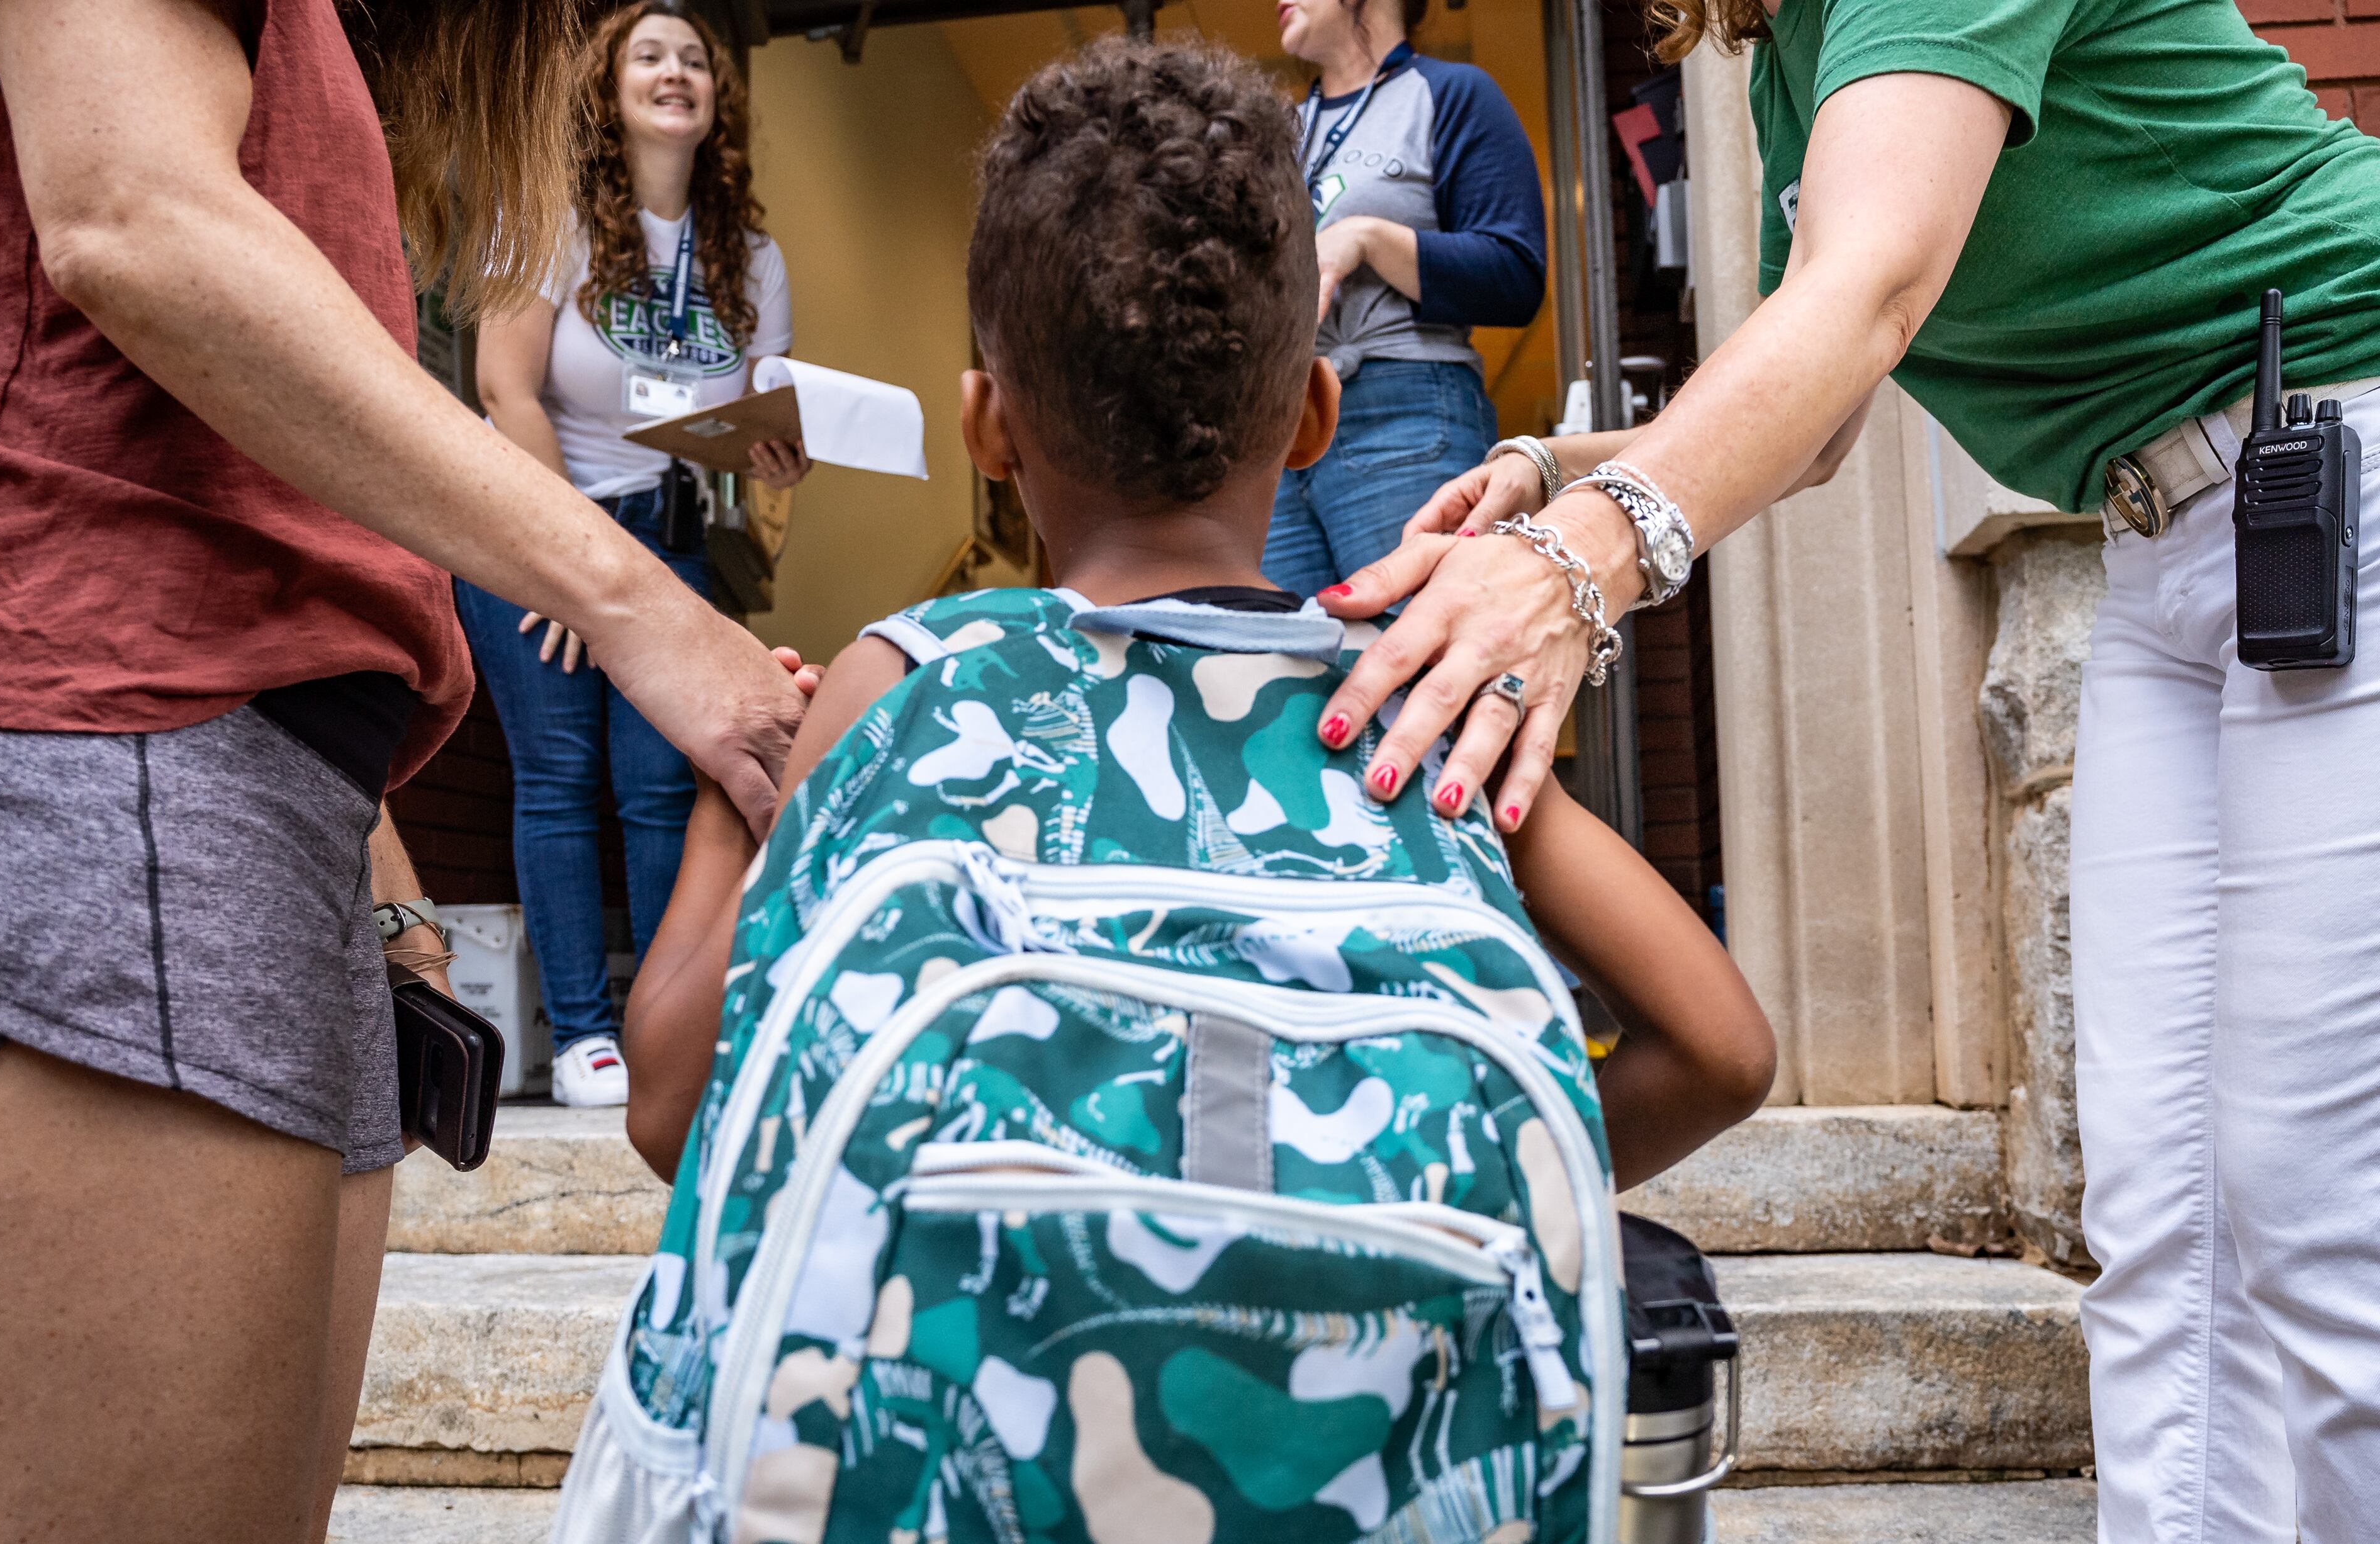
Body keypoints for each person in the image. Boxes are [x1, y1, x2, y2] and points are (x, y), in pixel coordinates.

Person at [1311, 0, 2380, 1536]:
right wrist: (1552, 476)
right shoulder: (1796, 49)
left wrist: (1578, 565)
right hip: (2165, 535)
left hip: (2334, 456)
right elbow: (1807, 415)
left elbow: (1871, 290)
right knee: (2160, 1216)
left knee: (2315, 1209)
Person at [613, 39, 1773, 1203]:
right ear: (1316, 413)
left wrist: (734, 798)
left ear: (987, 429)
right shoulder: (1416, 701)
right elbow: (1721, 1052)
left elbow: (672, 1110)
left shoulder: (900, 682)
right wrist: (1484, 1193)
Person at [0, 1, 806, 1540]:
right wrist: (638, 610)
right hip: (122, 771)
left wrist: (378, 877)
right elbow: (131, 215)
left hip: (255, 792)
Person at [472, 0, 809, 1110]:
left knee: (667, 783)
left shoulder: (751, 259)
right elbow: (501, 387)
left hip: (672, 537)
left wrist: (779, 460)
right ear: (608, 92)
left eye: (695, 61)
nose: (676, 74)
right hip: (539, 519)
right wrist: (566, 554)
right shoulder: (547, 217)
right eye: (649, 57)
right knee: (562, 779)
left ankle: (662, 1027)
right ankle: (581, 1036)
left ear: (718, 98)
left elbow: (758, 441)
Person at [1262, 0, 1546, 598]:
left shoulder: (1452, 93)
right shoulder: (1276, 131)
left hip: (1405, 412)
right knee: (1283, 676)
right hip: (1276, 431)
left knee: (1418, 666)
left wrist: (1367, 239)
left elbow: (1515, 275)